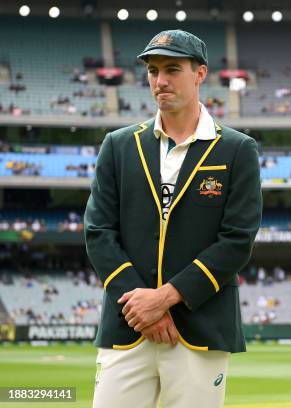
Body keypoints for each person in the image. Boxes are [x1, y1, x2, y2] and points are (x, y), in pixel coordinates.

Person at [85, 30, 262, 408]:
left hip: (200, 329)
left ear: (200, 74)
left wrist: (165, 299)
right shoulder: (118, 145)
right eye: (152, 71)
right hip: (128, 325)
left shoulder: (237, 149)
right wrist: (142, 309)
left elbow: (237, 240)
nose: (160, 81)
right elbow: (98, 232)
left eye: (172, 69)